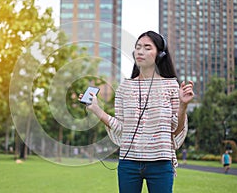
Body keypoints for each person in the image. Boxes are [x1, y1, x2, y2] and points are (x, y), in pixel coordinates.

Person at [79, 31, 194, 193]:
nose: (140, 51)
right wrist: (96, 110)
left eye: (147, 48)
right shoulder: (124, 88)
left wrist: (183, 105)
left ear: (160, 55)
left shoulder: (172, 86)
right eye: (138, 47)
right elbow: (120, 127)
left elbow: (176, 130)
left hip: (160, 163)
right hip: (129, 163)